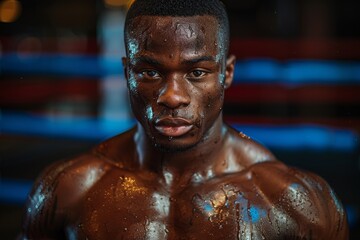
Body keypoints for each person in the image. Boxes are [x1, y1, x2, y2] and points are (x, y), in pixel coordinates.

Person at [20, 0, 349, 239]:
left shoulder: (296, 202)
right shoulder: (70, 189)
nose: (172, 96)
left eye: (196, 72)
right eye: (149, 71)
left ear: (227, 73)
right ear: (127, 73)